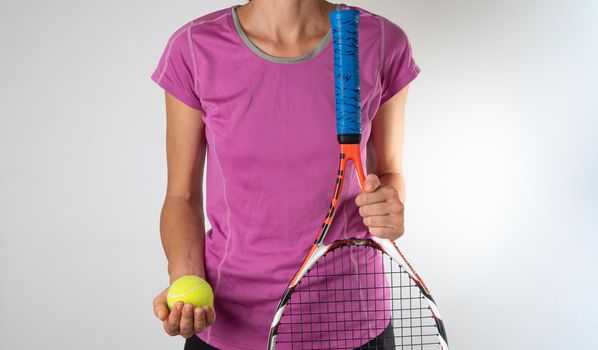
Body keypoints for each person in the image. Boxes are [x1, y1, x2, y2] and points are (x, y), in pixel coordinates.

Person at [150, 1, 421, 349]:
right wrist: (185, 276)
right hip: (232, 324)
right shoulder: (194, 48)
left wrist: (390, 208)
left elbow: (389, 172)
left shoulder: (380, 40)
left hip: (354, 321)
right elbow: (181, 196)